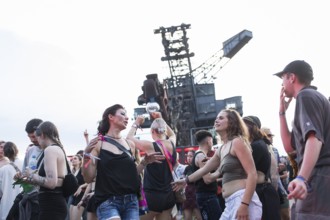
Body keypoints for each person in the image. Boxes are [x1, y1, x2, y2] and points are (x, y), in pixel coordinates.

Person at [173, 109, 262, 220]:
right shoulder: (222, 148)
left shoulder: (237, 142)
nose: (216, 120)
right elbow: (204, 169)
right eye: (216, 118)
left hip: (241, 199)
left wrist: (244, 204)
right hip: (230, 203)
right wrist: (185, 180)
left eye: (221, 118)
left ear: (232, 122)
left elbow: (252, 174)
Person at [82, 104, 161, 220]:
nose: (127, 118)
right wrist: (86, 157)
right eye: (123, 114)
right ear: (111, 117)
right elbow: (88, 178)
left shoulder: (130, 144)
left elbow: (132, 174)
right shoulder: (99, 144)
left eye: (127, 115)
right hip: (108, 201)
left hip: (131, 201)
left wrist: (144, 162)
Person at [275, 60, 330, 219]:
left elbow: (315, 139)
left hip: (318, 175)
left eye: (283, 79)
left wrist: (301, 178)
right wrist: (282, 113)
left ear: (291, 77)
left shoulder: (306, 96)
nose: (282, 85)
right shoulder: (313, 97)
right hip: (319, 176)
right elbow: (289, 147)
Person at [126, 111, 177, 220]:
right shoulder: (172, 143)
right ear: (164, 131)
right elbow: (172, 134)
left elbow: (129, 138)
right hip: (169, 195)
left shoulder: (150, 146)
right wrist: (161, 119)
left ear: (152, 131)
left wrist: (137, 122)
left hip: (152, 196)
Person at [24, 121, 68, 219]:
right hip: (53, 203)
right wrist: (28, 179)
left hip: (51, 204)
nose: (37, 141)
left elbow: (51, 183)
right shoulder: (58, 148)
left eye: (37, 137)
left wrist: (31, 174)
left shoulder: (50, 150)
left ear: (42, 135)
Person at [243, 116, 281, 220]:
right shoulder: (258, 144)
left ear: (252, 127)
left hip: (262, 193)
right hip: (263, 191)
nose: (241, 127)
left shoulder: (257, 145)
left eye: (244, 124)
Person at [7, 118, 43, 220]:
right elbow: (24, 175)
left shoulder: (51, 150)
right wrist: (18, 177)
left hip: (43, 199)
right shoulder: (30, 151)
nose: (32, 139)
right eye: (29, 137)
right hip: (28, 196)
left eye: (33, 136)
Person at [191, 130, 222, 220]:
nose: (212, 144)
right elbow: (207, 179)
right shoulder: (201, 156)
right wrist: (221, 169)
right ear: (208, 141)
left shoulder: (200, 155)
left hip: (206, 196)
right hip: (207, 196)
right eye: (212, 141)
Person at [261, 126, 290, 220]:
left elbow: (275, 171)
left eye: (271, 135)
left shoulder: (275, 150)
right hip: (267, 189)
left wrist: (279, 168)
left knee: (286, 215)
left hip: (280, 188)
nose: (271, 138)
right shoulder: (259, 149)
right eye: (268, 135)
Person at [0, 142, 23, 220]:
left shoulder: (3, 170)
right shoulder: (24, 164)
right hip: (22, 204)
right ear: (17, 151)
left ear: (5, 153)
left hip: (6, 205)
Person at [182, 150, 202, 220]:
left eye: (191, 156)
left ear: (195, 157)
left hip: (196, 192)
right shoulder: (187, 168)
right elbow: (183, 178)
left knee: (199, 217)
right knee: (187, 218)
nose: (188, 158)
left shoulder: (197, 166)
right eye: (187, 156)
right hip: (187, 193)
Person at [70, 154, 88, 220]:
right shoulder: (72, 172)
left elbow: (90, 181)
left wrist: (81, 187)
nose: (72, 160)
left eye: (75, 158)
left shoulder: (82, 170)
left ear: (80, 161)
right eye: (72, 159)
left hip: (81, 196)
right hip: (74, 196)